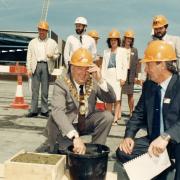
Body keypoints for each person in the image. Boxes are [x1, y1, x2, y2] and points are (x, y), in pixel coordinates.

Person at [116, 40, 180, 180]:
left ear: (161, 64)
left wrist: (166, 137)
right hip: (153, 140)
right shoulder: (149, 86)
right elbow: (138, 114)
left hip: (175, 142)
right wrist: (129, 136)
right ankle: (163, 166)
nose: (145, 70)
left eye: (148, 65)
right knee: (123, 152)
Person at [45, 48, 116, 154]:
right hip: (66, 126)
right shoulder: (61, 82)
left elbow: (111, 98)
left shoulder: (92, 81)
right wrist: (75, 137)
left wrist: (101, 80)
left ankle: (96, 149)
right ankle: (62, 144)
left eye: (86, 69)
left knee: (107, 117)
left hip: (85, 122)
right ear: (71, 67)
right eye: (79, 68)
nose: (83, 73)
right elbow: (57, 111)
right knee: (71, 155)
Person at [26, 21, 59, 117]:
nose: (42, 32)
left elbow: (57, 55)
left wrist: (52, 56)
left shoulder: (52, 42)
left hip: (46, 66)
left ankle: (44, 110)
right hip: (35, 66)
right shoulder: (32, 42)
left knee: (45, 90)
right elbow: (29, 56)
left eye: (44, 30)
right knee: (34, 90)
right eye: (40, 30)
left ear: (47, 31)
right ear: (38, 30)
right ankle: (34, 110)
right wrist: (28, 68)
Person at [101, 29, 128, 125]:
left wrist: (123, 78)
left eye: (115, 40)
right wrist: (102, 79)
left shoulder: (123, 51)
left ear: (118, 41)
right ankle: (109, 118)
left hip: (117, 78)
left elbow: (125, 66)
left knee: (117, 99)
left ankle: (115, 119)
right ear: (109, 41)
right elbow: (103, 65)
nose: (113, 42)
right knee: (108, 99)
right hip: (107, 77)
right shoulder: (106, 51)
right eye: (111, 40)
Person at [121, 30, 139, 117]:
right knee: (119, 95)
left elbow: (136, 63)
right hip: (121, 74)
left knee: (130, 95)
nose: (129, 40)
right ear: (124, 39)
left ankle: (131, 112)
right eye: (127, 38)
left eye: (131, 39)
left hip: (130, 75)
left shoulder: (134, 50)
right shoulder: (120, 49)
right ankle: (118, 113)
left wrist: (136, 76)